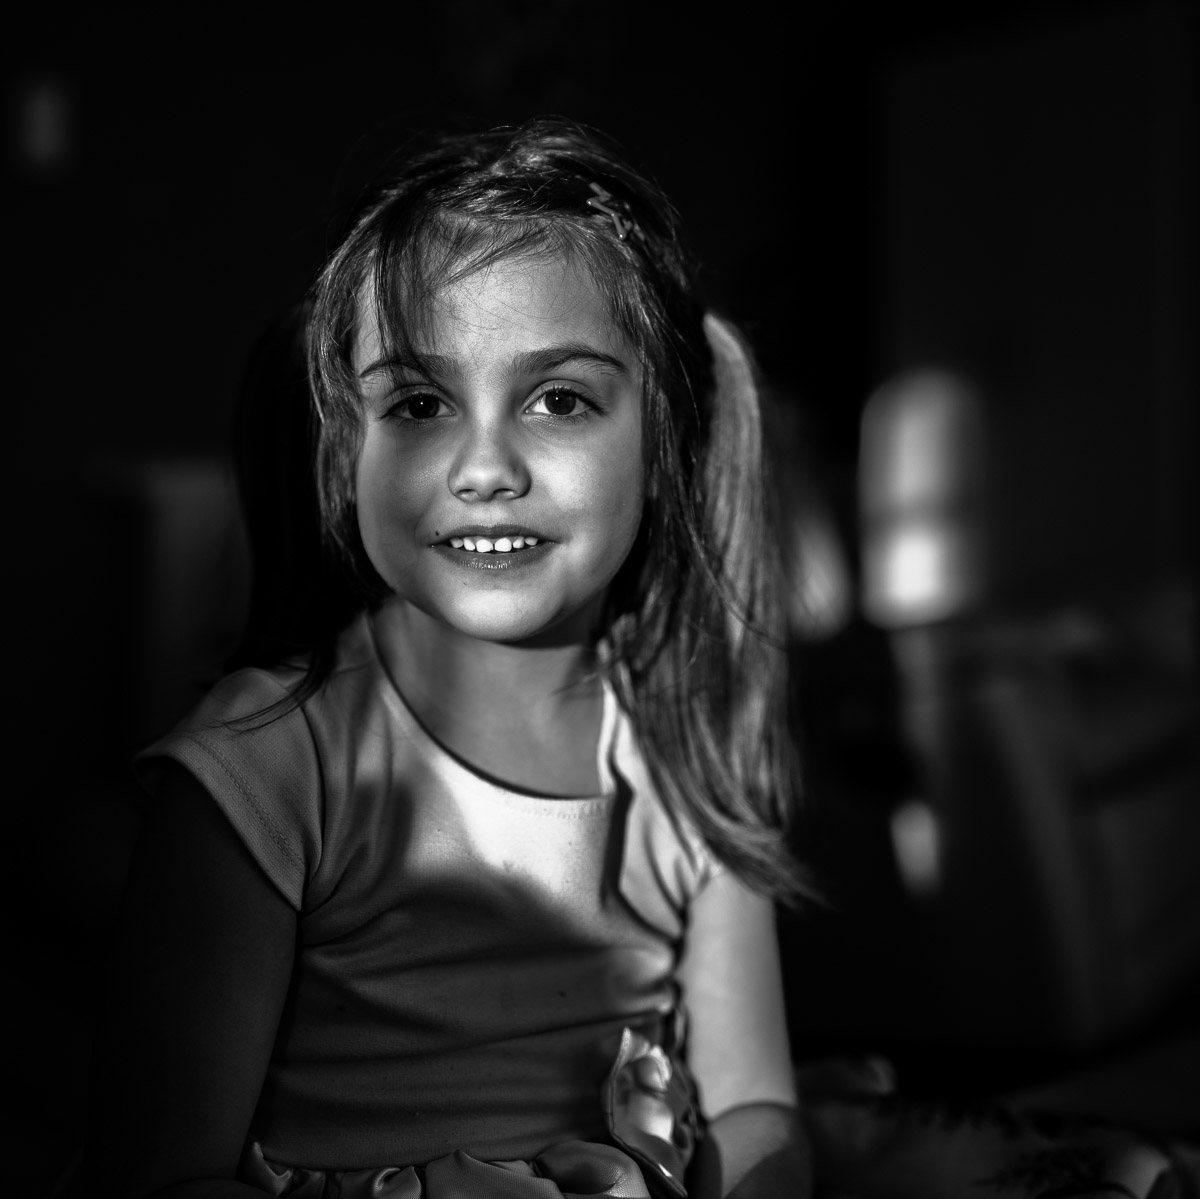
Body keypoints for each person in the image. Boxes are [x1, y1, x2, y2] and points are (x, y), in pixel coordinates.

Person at [85, 116, 814, 1199]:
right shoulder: (267, 770)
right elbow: (161, 1173)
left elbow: (753, 1105)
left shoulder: (681, 754)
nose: (483, 467)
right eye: (420, 403)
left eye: (559, 399)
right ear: (347, 449)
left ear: (663, 441)